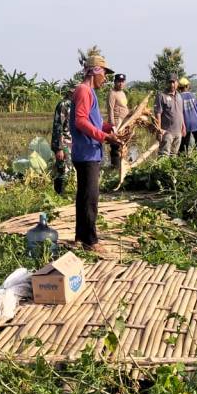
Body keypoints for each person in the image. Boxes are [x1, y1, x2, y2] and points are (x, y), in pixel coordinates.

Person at [70, 53, 119, 253]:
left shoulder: (89, 92)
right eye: (104, 73)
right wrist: (105, 138)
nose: (105, 78)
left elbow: (95, 123)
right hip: (86, 153)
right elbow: (80, 121)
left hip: (88, 152)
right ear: (95, 71)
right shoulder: (83, 91)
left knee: (84, 196)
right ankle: (91, 241)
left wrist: (110, 128)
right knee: (90, 198)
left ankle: (80, 237)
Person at [154, 72, 186, 157]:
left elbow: (180, 112)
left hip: (178, 132)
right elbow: (158, 114)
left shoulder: (179, 96)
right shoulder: (161, 96)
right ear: (167, 83)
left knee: (174, 155)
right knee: (163, 155)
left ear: (177, 83)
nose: (172, 84)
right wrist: (159, 131)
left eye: (174, 82)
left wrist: (183, 126)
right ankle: (160, 170)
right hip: (167, 132)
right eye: (170, 82)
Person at [50, 86, 73, 195]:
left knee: (69, 169)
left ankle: (65, 193)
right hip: (63, 143)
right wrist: (58, 148)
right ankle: (59, 194)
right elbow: (58, 126)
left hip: (72, 143)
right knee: (63, 170)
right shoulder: (64, 105)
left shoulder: (75, 104)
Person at [107, 73, 129, 169]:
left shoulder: (122, 93)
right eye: (118, 82)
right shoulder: (112, 93)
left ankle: (122, 168)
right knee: (115, 147)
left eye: (122, 82)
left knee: (123, 147)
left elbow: (124, 108)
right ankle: (114, 168)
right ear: (115, 82)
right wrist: (113, 127)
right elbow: (110, 110)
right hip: (116, 124)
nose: (120, 84)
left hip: (124, 124)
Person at [179, 77, 197, 152]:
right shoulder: (194, 96)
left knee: (184, 145)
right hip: (196, 123)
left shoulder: (178, 97)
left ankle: (183, 159)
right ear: (187, 86)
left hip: (185, 124)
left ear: (179, 87)